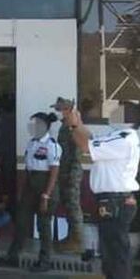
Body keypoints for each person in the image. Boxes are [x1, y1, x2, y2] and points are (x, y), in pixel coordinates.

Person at [63, 100, 140, 279]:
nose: (112, 114)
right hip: (114, 201)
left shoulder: (122, 138)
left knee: (114, 258)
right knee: (119, 257)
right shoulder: (119, 136)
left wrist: (72, 126)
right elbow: (91, 139)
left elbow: (86, 146)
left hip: (114, 202)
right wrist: (77, 122)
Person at [4, 112, 61, 272]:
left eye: (36, 124)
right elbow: (27, 169)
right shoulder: (31, 143)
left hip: (45, 185)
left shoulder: (52, 145)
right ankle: (13, 256)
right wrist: (22, 190)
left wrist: (46, 195)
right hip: (31, 185)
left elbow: (54, 171)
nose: (33, 127)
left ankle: (45, 260)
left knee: (44, 225)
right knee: (21, 221)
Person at [52, 97, 86, 256]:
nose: (57, 112)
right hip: (64, 171)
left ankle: (78, 241)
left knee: (73, 205)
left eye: (60, 109)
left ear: (67, 110)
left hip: (72, 172)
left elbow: (78, 153)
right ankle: (71, 237)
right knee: (67, 204)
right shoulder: (64, 126)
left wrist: (72, 175)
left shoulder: (74, 126)